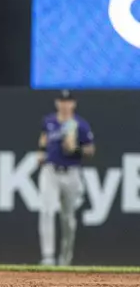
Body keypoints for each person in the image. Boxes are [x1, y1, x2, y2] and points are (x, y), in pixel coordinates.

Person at [37, 90, 95, 266]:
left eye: (68, 101)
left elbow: (90, 150)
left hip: (71, 173)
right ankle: (48, 257)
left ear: (73, 104)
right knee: (46, 211)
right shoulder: (49, 121)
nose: (65, 104)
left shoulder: (81, 125)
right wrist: (40, 152)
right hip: (51, 171)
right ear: (57, 103)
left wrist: (75, 148)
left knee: (68, 219)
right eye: (62, 101)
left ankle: (65, 258)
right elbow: (43, 139)